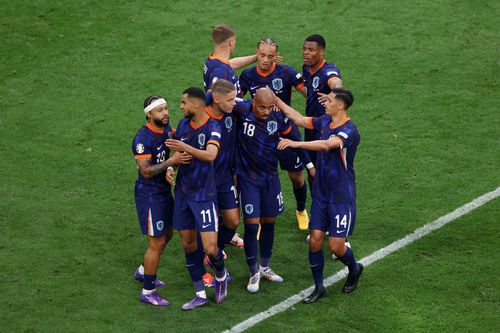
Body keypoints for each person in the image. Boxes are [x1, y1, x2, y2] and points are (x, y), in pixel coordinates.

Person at [275, 88, 363, 303]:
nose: (326, 102)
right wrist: (276, 99)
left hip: (341, 197)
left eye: (330, 100)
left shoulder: (349, 131)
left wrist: (295, 143)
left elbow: (326, 145)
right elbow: (299, 119)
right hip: (322, 194)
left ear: (340, 105)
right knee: (314, 241)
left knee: (336, 246)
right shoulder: (325, 122)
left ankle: (354, 269)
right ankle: (319, 287)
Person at [240, 38, 314, 231]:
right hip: (259, 137)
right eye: (262, 55)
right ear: (256, 53)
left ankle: (300, 210)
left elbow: (308, 93)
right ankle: (257, 221)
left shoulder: (286, 73)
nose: (265, 60)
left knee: (297, 177)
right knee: (258, 177)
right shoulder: (247, 75)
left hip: (286, 133)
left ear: (276, 57)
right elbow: (236, 101)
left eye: (270, 56)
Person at [165, 87, 228, 310]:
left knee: (211, 249)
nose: (180, 106)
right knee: (188, 244)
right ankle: (200, 293)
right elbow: (176, 154)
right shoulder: (183, 125)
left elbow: (210, 155)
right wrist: (171, 167)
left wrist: (185, 147)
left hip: (204, 195)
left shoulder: (213, 126)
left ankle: (220, 275)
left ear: (197, 105)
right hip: (183, 192)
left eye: (184, 103)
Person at [233, 88, 295, 293]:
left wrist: (307, 165)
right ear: (252, 102)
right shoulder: (241, 109)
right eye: (262, 107)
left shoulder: (277, 116)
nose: (266, 111)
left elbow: (291, 135)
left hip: (270, 177)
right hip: (248, 178)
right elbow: (217, 98)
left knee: (269, 222)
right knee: (251, 226)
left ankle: (265, 266)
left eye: (269, 107)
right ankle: (253, 272)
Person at [132, 96, 192, 306]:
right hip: (149, 195)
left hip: (164, 191)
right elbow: (146, 171)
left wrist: (170, 167)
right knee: (156, 241)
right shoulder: (142, 139)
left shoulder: (166, 130)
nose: (165, 113)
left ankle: (143, 271)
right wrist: (172, 161)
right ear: (149, 114)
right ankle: (148, 290)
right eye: (160, 111)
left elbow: (176, 146)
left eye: (166, 109)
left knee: (167, 234)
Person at [302, 34, 343, 167]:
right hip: (311, 124)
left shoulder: (328, 71)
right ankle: (314, 189)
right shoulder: (307, 67)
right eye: (304, 49)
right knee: (312, 168)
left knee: (326, 168)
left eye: (311, 50)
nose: (306, 53)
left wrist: (333, 93)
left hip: (326, 127)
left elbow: (337, 83)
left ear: (321, 52)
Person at [203, 24, 255, 95]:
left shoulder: (212, 61)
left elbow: (230, 64)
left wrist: (257, 57)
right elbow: (212, 96)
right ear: (231, 42)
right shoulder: (220, 71)